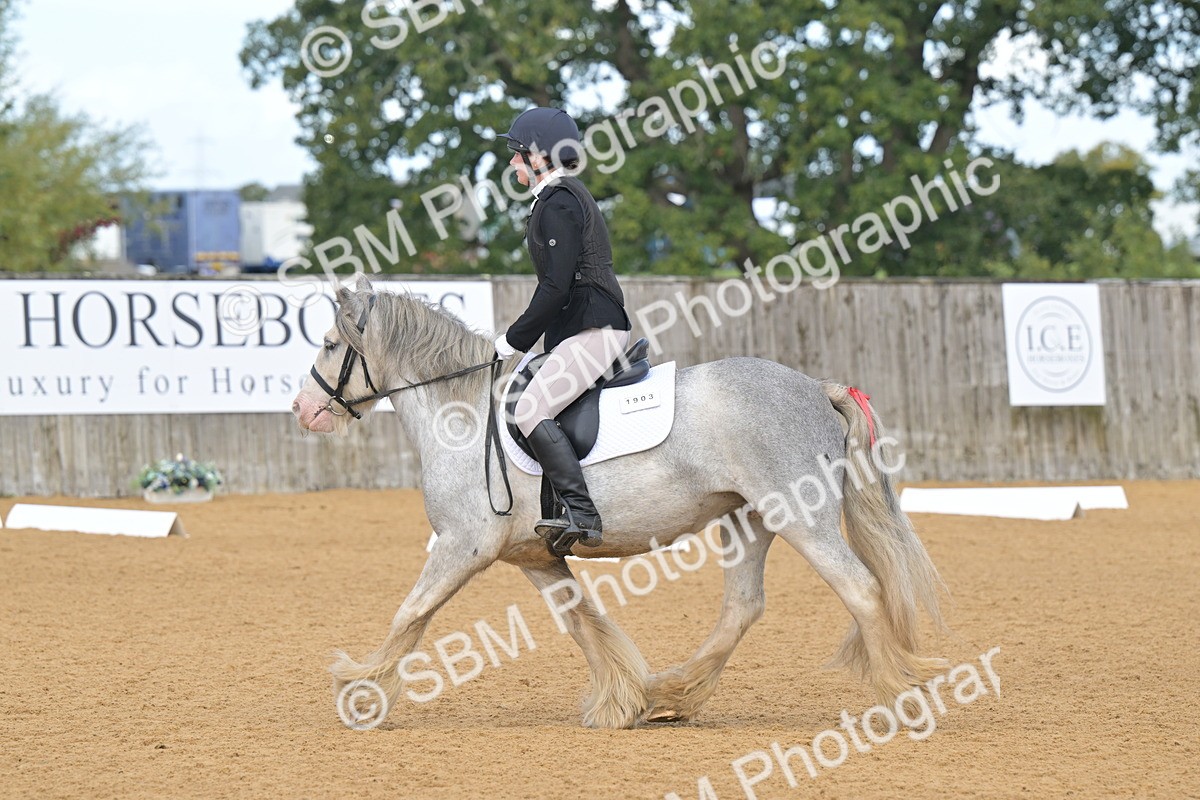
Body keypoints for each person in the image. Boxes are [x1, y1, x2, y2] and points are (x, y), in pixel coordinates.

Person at [493, 107, 632, 552]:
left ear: (538, 156)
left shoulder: (560, 203)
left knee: (531, 410)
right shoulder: (556, 201)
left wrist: (510, 341)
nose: (511, 164)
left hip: (594, 326)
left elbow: (554, 289)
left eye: (517, 155)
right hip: (578, 330)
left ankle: (582, 511)